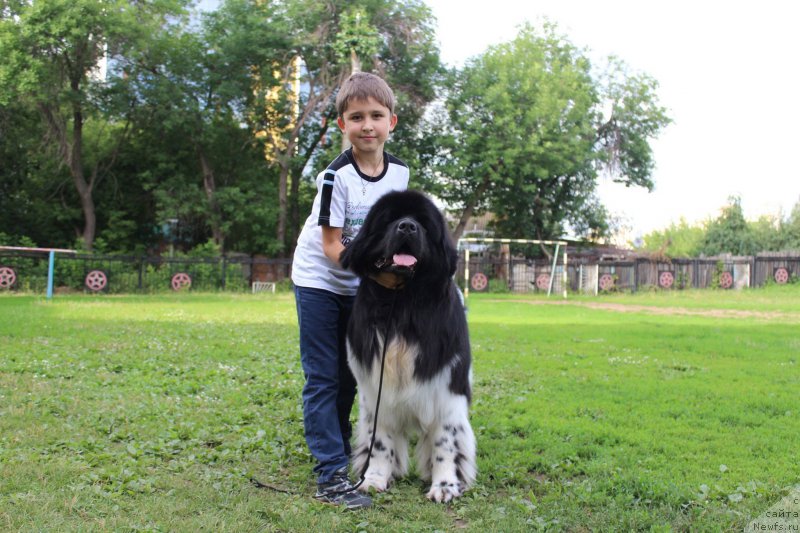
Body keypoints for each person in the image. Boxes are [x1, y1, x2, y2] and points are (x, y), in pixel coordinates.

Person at [291, 72, 409, 509]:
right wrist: (378, 277)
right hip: (320, 280)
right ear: (342, 124)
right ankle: (329, 476)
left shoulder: (399, 173)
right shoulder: (334, 177)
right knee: (323, 376)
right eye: (356, 117)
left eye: (376, 116)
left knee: (351, 375)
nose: (367, 125)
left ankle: (338, 449)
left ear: (391, 122)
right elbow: (331, 246)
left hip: (361, 285)